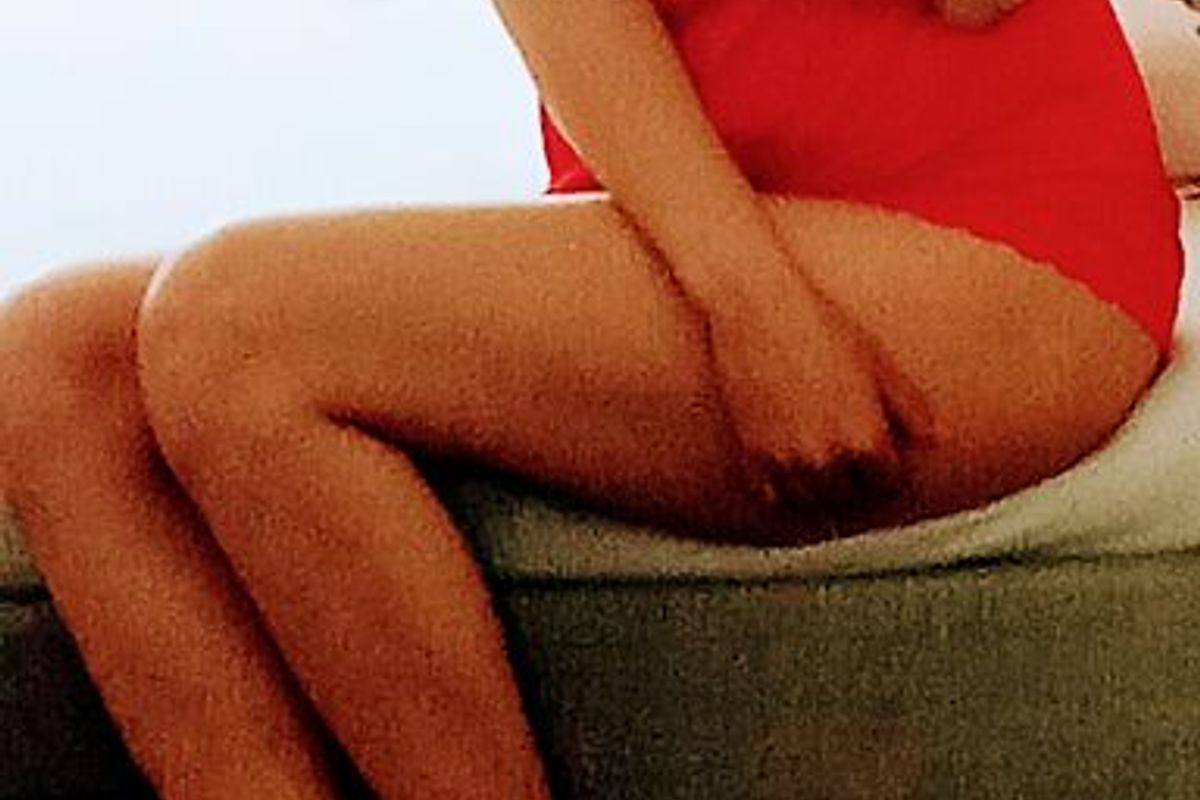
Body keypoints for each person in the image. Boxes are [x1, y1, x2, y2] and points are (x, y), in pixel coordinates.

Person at [0, 0, 1183, 796]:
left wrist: (761, 314)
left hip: (997, 244)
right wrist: (745, 293)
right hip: (742, 225)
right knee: (54, 357)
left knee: (236, 324)